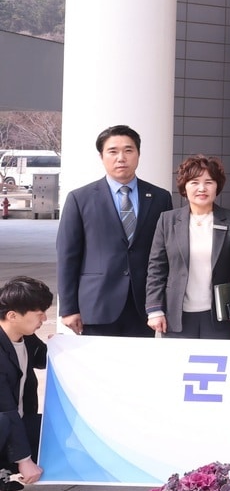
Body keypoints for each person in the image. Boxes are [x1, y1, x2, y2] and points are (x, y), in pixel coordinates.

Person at [56, 124, 174, 337]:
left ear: (138, 154)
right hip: (97, 304)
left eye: (128, 150)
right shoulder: (80, 199)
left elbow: (166, 253)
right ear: (101, 156)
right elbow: (67, 256)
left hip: (143, 305)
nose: (121, 158)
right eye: (113, 151)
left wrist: (161, 303)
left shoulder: (160, 197)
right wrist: (68, 308)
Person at [145, 155, 230, 339]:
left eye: (209, 182)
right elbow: (156, 268)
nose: (202, 188)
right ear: (184, 186)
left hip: (221, 317)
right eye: (194, 182)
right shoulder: (167, 220)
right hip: (176, 316)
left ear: (217, 186)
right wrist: (155, 309)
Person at [1, 276, 50, 491]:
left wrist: (63, 347)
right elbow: (6, 409)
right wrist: (24, 459)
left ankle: (3, 471)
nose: (44, 319)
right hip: (4, 418)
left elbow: (45, 358)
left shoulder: (24, 337)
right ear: (12, 316)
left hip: (15, 420)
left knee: (51, 430)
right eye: (39, 314)